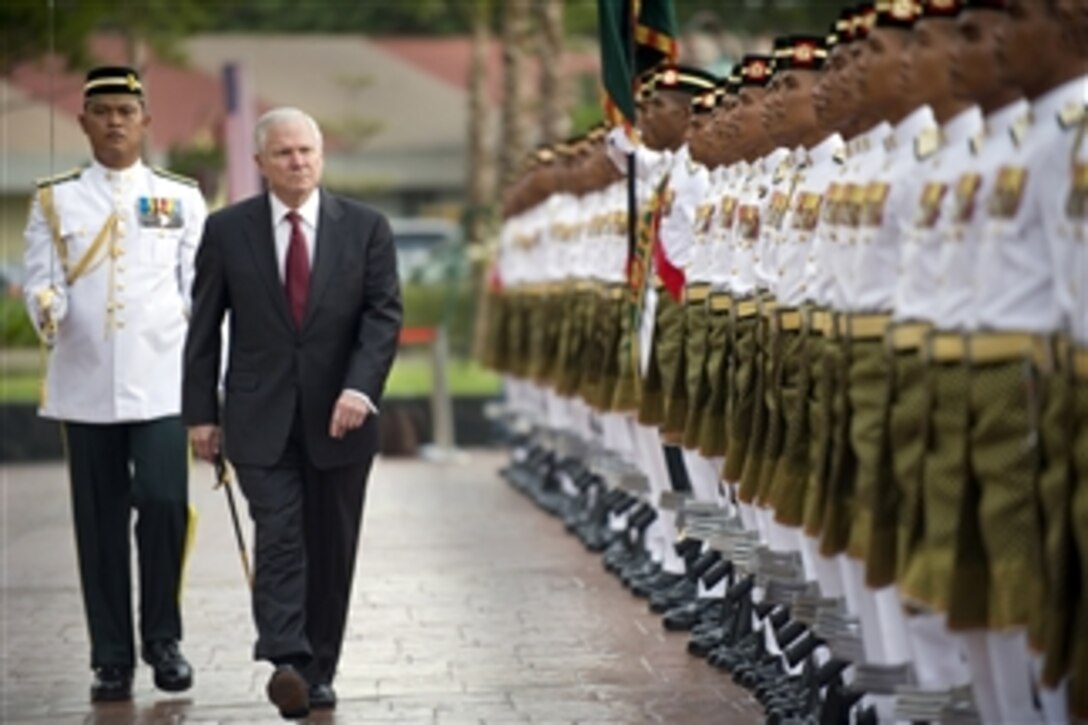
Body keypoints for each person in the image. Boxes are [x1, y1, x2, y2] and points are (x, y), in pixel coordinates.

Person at [181, 107, 402, 719]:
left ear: (322, 155)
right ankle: (284, 656)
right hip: (258, 417)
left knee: (332, 546)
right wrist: (201, 413)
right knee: (278, 533)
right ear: (259, 164)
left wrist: (361, 389)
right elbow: (203, 327)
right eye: (284, 153)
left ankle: (318, 670)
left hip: (342, 418)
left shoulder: (366, 227)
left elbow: (383, 317)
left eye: (306, 151)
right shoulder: (228, 231)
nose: (297, 162)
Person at [22, 66, 207, 703]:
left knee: (162, 503)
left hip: (161, 383)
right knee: (98, 522)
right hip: (86, 382)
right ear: (83, 122)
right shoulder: (56, 198)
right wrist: (44, 303)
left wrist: (212, 386)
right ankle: (110, 657)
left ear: (146, 121)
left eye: (126, 111)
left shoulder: (180, 197)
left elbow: (198, 296)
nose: (114, 122)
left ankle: (163, 638)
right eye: (101, 111)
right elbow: (40, 278)